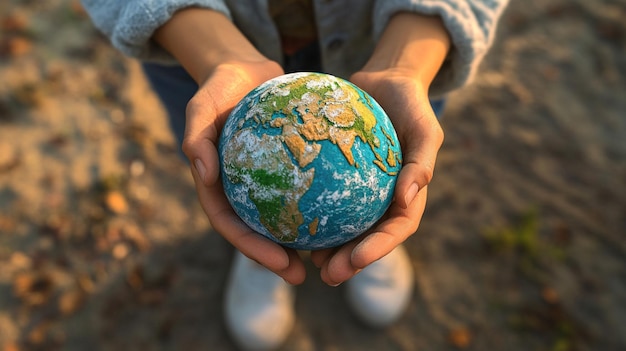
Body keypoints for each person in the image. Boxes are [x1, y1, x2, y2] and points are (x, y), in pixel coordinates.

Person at [81, 0, 509, 349]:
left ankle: (369, 221)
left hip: (387, 39)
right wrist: (217, 56)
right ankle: (266, 242)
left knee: (399, 154)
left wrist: (402, 65)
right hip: (196, 50)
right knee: (212, 148)